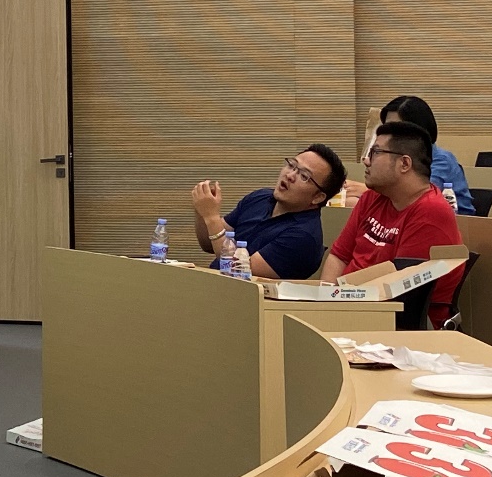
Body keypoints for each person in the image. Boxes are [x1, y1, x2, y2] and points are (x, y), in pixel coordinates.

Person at [322, 121, 464, 328]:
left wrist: (334, 310)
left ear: (404, 164)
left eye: (375, 152)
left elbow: (399, 293)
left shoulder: (431, 212)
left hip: (396, 323)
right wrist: (324, 302)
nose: (366, 160)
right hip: (351, 307)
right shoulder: (372, 198)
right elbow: (339, 255)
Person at [191, 144, 347, 279]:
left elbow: (237, 273)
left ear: (318, 197)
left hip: (247, 300)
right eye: (292, 165)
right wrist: (202, 210)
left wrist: (211, 217)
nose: (290, 175)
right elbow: (209, 244)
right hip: (215, 285)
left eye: (304, 176)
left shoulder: (304, 237)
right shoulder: (260, 197)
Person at [344, 96, 475, 214]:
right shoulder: (394, 156)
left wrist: (364, 190)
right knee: (350, 202)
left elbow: (415, 195)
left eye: (396, 129)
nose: (388, 133)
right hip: (411, 214)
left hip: (458, 224)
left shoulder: (442, 160)